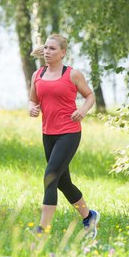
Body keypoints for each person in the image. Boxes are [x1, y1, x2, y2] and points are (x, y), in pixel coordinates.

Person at [28, 33, 100, 238]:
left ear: (62, 53)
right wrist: (31, 108)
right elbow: (32, 100)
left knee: (50, 177)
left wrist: (83, 111)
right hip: (48, 133)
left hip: (69, 132)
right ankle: (89, 217)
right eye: (46, 47)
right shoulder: (38, 75)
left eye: (52, 48)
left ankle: (42, 230)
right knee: (62, 182)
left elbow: (90, 95)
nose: (47, 51)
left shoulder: (72, 74)